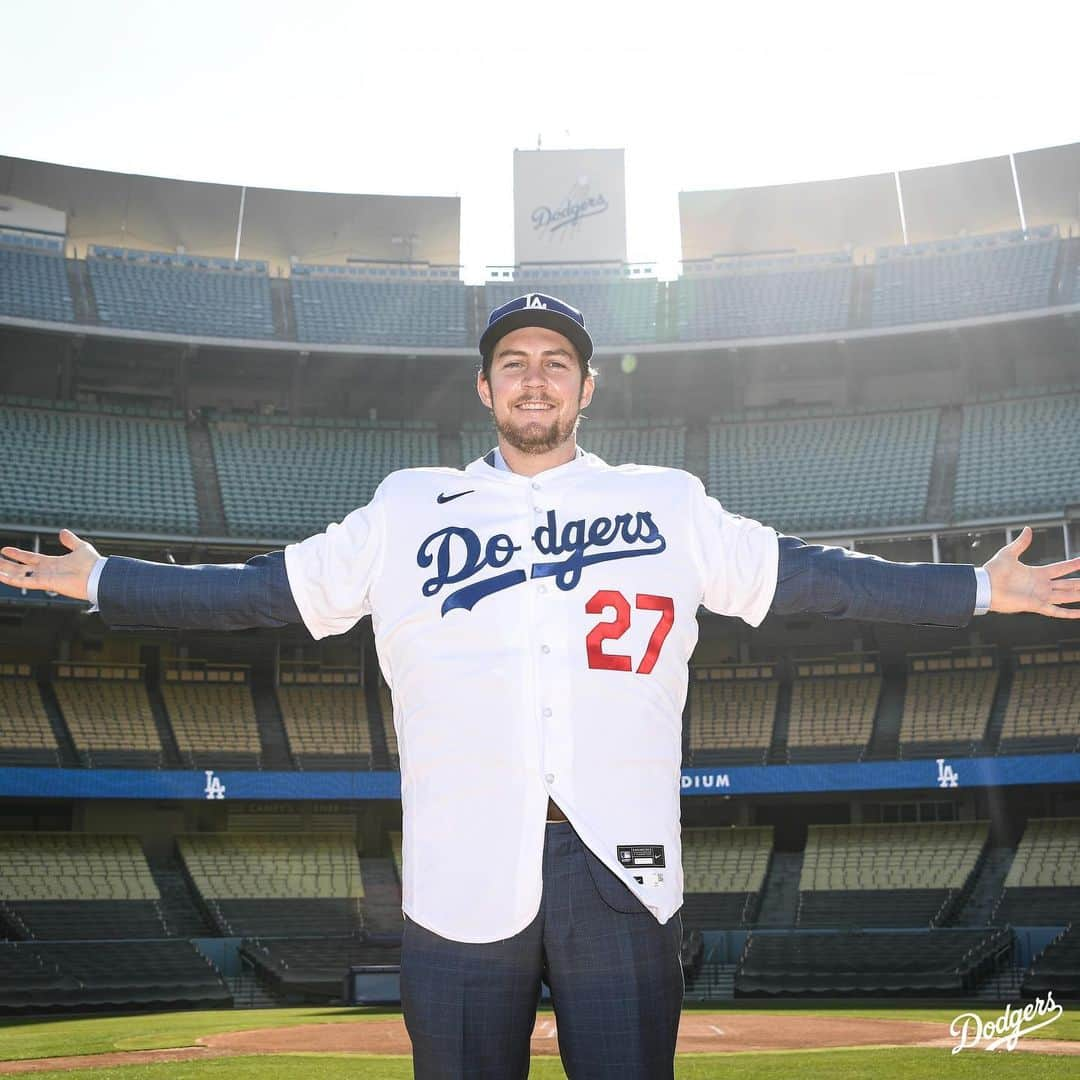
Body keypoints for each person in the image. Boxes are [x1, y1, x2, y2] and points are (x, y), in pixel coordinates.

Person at [3, 293, 1078, 1079]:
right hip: (461, 872)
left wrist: (973, 593)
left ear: (585, 388)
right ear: (485, 387)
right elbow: (256, 594)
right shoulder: (407, 508)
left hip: (622, 869)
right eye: (513, 360)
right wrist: (107, 581)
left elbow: (816, 581)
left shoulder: (666, 502)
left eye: (555, 362)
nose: (533, 377)